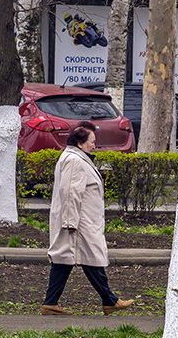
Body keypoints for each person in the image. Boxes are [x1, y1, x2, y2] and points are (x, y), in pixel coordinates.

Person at [40, 121, 134, 316]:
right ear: (80, 143)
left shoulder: (76, 158)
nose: (94, 145)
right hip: (79, 223)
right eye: (92, 141)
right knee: (90, 260)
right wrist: (69, 222)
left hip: (79, 221)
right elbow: (70, 192)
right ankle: (110, 301)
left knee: (66, 261)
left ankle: (51, 303)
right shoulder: (75, 161)